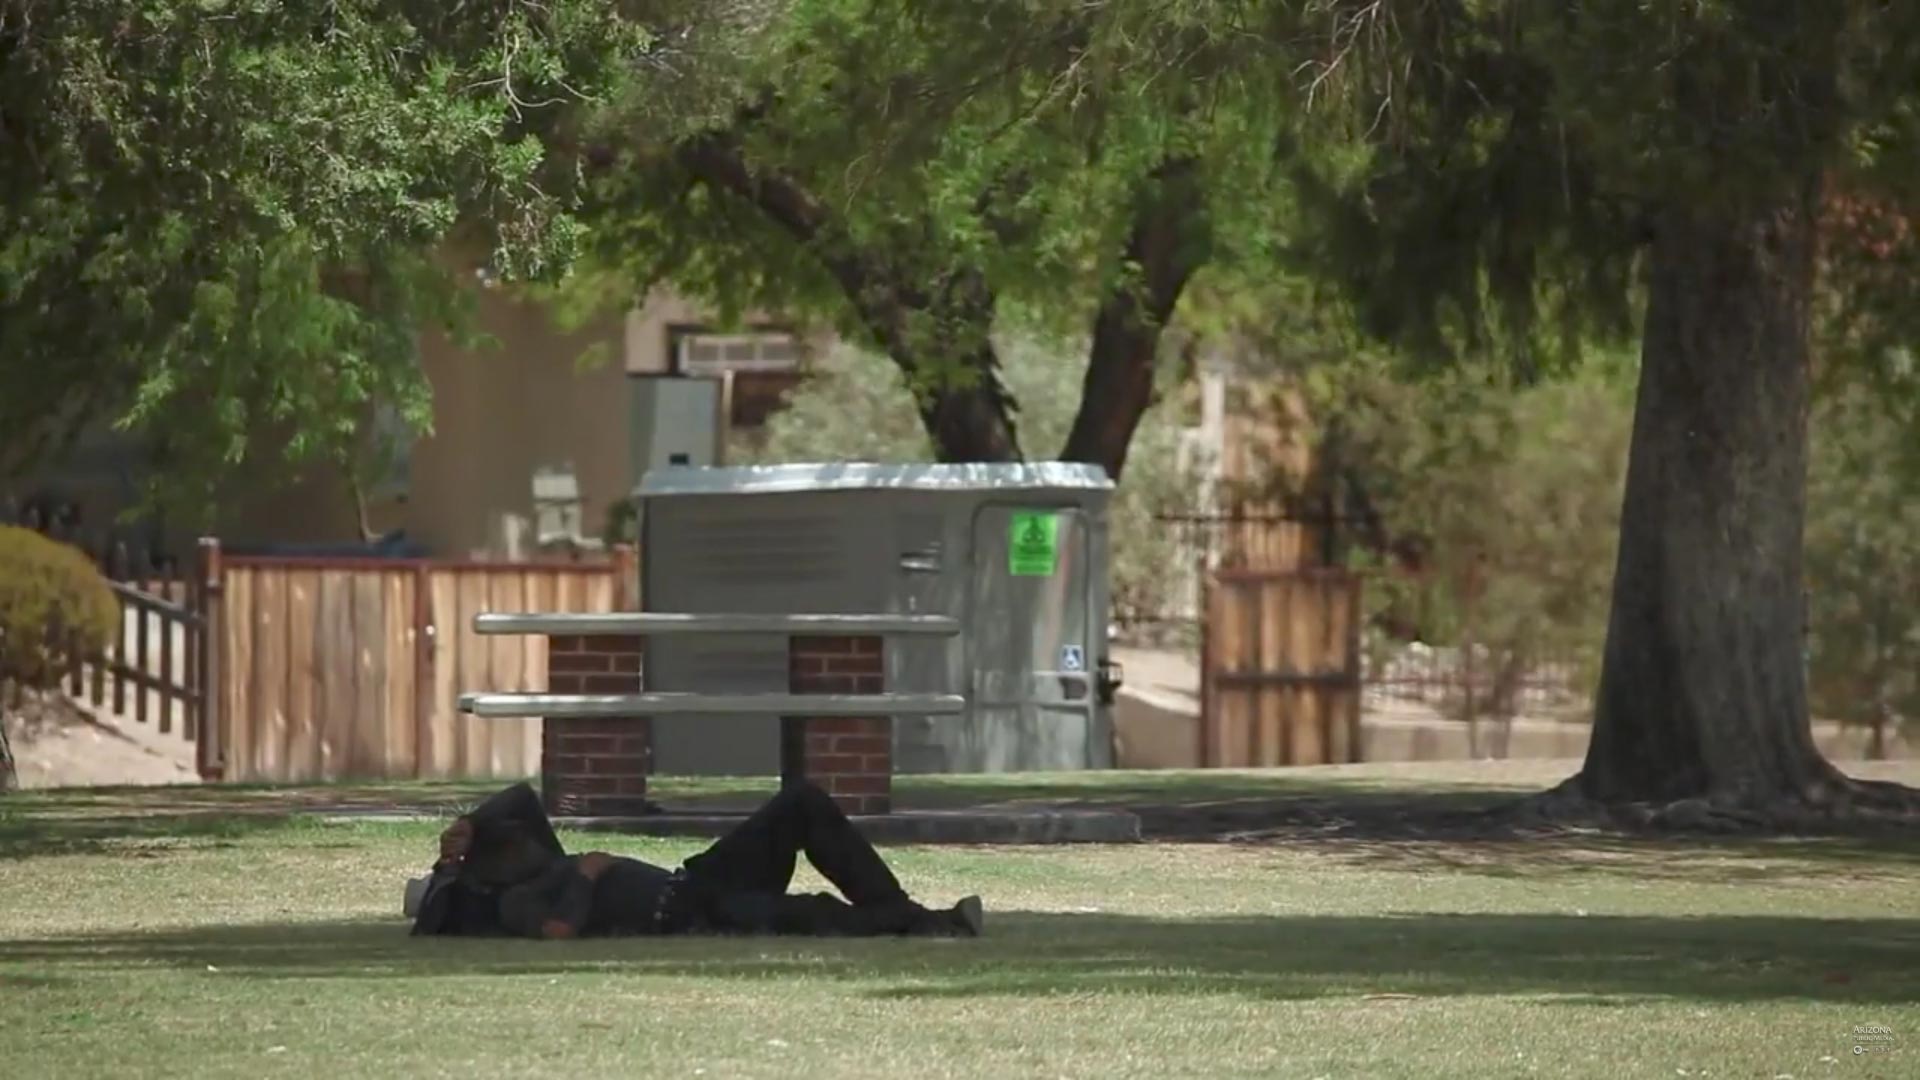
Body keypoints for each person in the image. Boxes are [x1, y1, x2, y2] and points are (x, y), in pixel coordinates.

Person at [406, 780, 983, 940]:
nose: (523, 843)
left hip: (699, 878)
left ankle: (911, 914)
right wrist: (585, 879)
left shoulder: (538, 862)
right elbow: (558, 932)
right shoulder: (517, 900)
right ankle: (934, 922)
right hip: (694, 914)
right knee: (813, 914)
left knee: (801, 803)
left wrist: (471, 820)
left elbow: (523, 798)